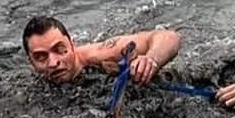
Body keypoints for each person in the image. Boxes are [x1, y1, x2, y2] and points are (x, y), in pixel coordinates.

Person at [22, 15, 180, 87]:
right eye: (41, 57)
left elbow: (169, 37)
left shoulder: (102, 53)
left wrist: (151, 59)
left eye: (60, 49)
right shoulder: (30, 86)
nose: (53, 63)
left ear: (72, 45)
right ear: (30, 62)